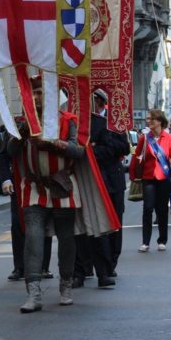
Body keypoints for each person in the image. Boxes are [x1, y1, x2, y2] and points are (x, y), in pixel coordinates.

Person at [7, 77, 103, 313]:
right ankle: (33, 292)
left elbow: (78, 150)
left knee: (66, 238)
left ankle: (66, 285)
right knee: (33, 237)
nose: (37, 98)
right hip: (33, 188)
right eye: (34, 93)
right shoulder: (23, 123)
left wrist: (52, 144)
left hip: (62, 186)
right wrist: (19, 134)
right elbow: (9, 152)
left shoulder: (69, 121)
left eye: (41, 93)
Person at [74, 89, 126, 285]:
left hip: (112, 180)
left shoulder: (114, 121)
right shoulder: (79, 122)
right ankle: (85, 267)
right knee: (87, 225)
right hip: (88, 180)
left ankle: (110, 264)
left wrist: (94, 149)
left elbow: (120, 147)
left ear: (99, 102)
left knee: (113, 225)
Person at [0, 129, 54, 283]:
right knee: (18, 224)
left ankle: (43, 266)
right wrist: (5, 179)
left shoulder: (48, 125)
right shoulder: (15, 128)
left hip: (43, 182)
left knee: (43, 223)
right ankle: (20, 267)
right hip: (19, 181)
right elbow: (4, 156)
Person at [130, 109, 171, 253]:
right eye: (148, 119)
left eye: (151, 119)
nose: (148, 121)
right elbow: (136, 156)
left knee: (162, 210)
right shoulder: (144, 139)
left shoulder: (169, 138)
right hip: (148, 178)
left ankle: (162, 240)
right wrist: (134, 174)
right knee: (147, 208)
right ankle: (145, 242)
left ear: (159, 121)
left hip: (164, 178)